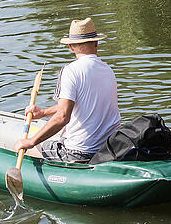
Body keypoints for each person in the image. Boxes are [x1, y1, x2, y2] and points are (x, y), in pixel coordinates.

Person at [14, 18, 121, 163]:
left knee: (40, 144)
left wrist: (31, 142)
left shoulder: (70, 71)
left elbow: (63, 116)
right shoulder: (108, 70)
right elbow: (80, 104)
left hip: (80, 153)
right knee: (64, 132)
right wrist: (44, 112)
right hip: (109, 148)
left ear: (71, 46)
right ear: (96, 43)